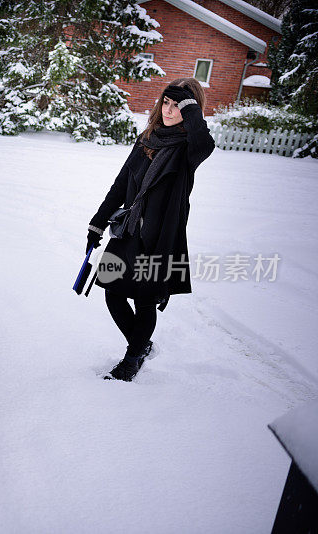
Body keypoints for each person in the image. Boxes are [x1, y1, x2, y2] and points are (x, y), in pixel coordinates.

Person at [86, 78, 215, 381]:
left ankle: (130, 361)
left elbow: (205, 142)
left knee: (144, 302)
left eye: (178, 105)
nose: (169, 110)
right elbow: (120, 186)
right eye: (166, 102)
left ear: (191, 108)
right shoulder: (147, 139)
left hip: (159, 239)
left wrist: (190, 107)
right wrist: (97, 223)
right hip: (127, 231)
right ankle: (141, 346)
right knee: (113, 293)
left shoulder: (189, 150)